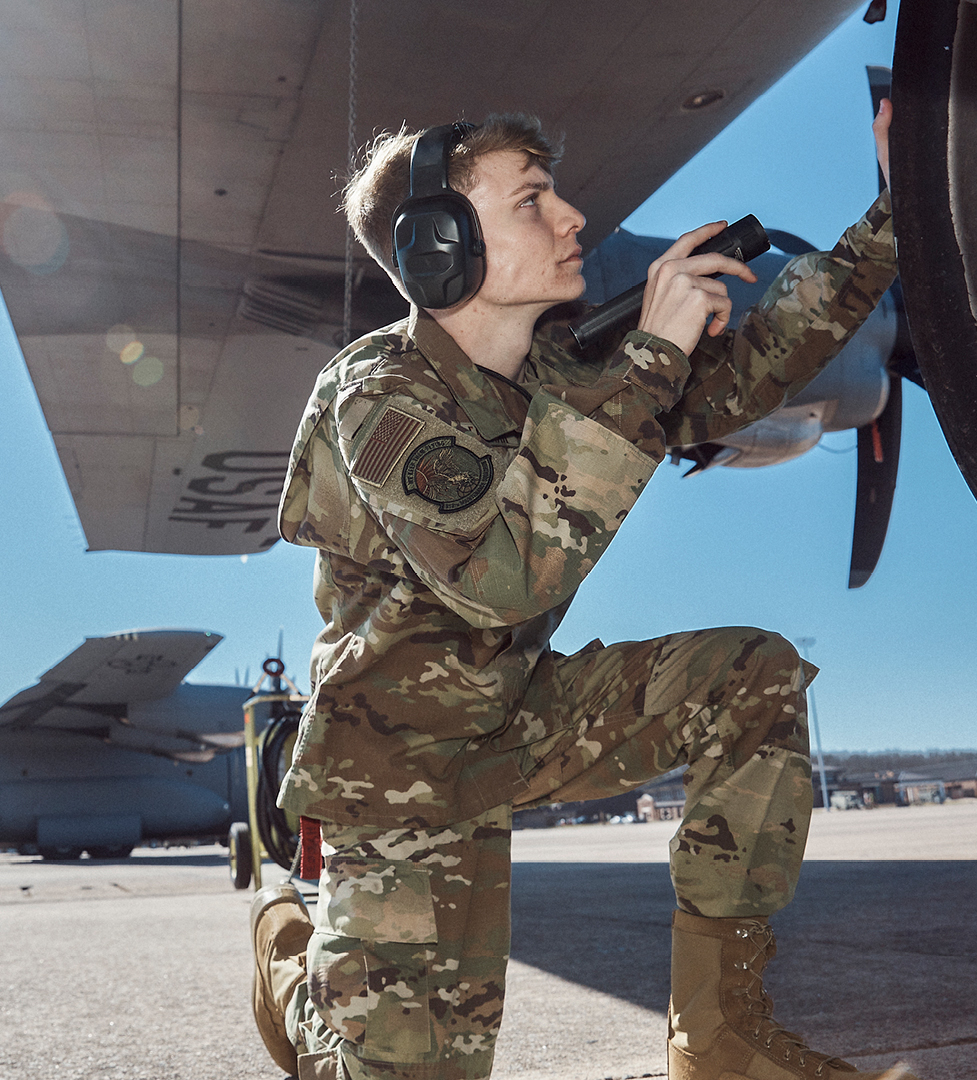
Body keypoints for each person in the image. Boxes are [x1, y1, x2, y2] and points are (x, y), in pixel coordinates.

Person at [252, 102, 906, 1080]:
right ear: (443, 249)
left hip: (516, 716)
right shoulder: (373, 392)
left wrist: (897, 212)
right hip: (395, 773)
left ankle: (717, 1041)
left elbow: (763, 362)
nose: (571, 221)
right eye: (531, 201)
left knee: (751, 676)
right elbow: (501, 578)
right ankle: (288, 965)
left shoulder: (559, 371)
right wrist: (652, 353)